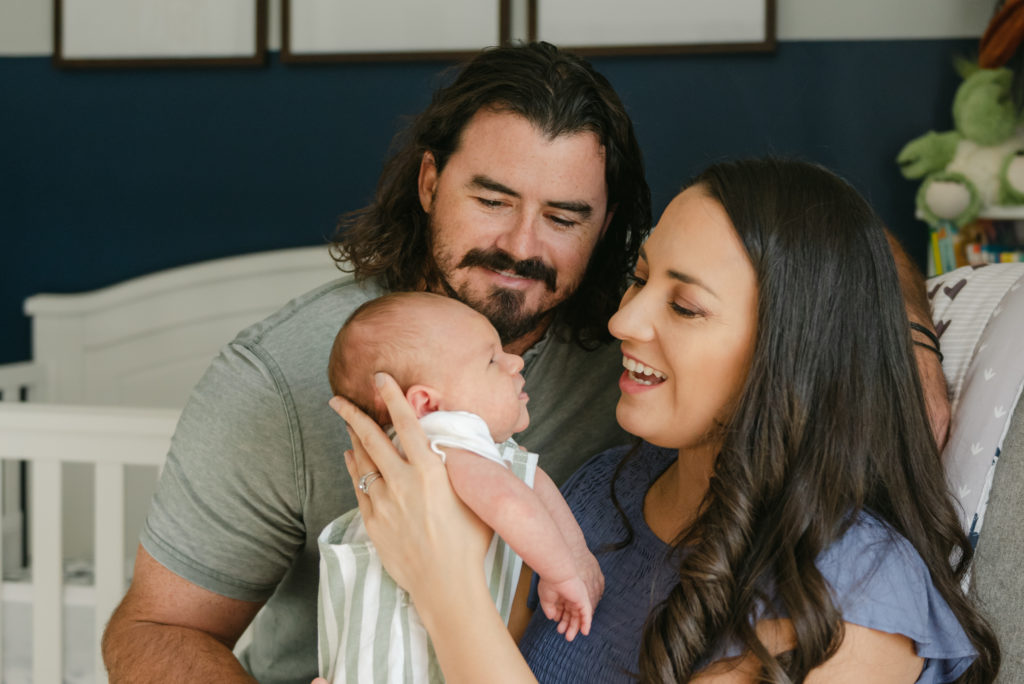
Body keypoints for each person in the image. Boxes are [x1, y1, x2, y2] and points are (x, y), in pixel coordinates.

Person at [100, 41, 948, 683]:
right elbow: (154, 629)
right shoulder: (287, 381)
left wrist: (900, 340)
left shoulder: (622, 361)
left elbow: (809, 255)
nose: (520, 247)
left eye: (565, 217)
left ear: (609, 225)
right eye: (492, 200)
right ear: (430, 181)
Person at [333, 158, 999, 683]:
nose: (624, 320)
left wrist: (444, 587)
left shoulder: (848, 593)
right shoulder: (601, 492)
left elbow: (469, 630)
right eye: (639, 278)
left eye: (684, 306)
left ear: (788, 352)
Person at [318, 292, 602, 682]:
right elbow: (510, 501)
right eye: (491, 360)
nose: (514, 361)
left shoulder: (471, 452)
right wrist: (563, 573)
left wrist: (578, 553)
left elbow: (531, 484)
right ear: (428, 405)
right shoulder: (444, 440)